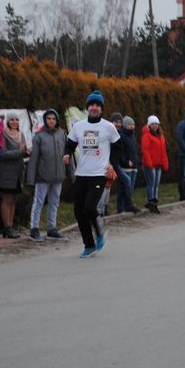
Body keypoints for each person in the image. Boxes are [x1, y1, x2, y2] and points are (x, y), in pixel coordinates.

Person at [63, 91, 121, 258]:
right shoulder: (78, 126)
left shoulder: (108, 127)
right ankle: (89, 245)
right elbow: (70, 144)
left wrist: (112, 164)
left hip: (99, 173)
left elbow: (119, 147)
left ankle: (100, 231)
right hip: (81, 173)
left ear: (101, 109)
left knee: (89, 208)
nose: (94, 108)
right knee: (78, 211)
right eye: (92, 105)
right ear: (87, 107)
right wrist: (66, 153)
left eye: (97, 105)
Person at [26, 109, 74, 242]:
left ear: (57, 120)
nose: (51, 121)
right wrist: (30, 178)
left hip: (58, 176)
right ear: (45, 120)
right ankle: (34, 228)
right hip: (43, 176)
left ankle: (52, 228)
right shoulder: (39, 136)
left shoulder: (62, 134)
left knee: (54, 202)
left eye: (53, 118)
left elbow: (68, 155)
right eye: (49, 119)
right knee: (39, 202)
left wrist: (72, 173)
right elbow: (34, 159)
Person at [0, 112, 28, 238]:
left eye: (16, 119)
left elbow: (23, 152)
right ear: (8, 122)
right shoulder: (3, 135)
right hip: (7, 172)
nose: (14, 122)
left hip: (19, 172)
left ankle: (11, 225)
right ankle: (7, 227)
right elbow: (2, 153)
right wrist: (18, 151)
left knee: (14, 199)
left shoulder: (21, 134)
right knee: (7, 199)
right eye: (12, 120)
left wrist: (26, 152)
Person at [141, 115, 169, 213]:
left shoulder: (161, 136)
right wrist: (149, 163)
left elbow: (163, 151)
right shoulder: (146, 135)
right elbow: (145, 150)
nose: (155, 126)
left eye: (156, 124)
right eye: (152, 124)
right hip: (150, 164)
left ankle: (154, 201)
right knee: (151, 183)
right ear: (149, 125)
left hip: (158, 164)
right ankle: (151, 201)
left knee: (156, 184)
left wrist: (165, 163)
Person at [114, 114, 141, 214]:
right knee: (123, 189)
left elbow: (134, 150)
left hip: (134, 166)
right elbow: (120, 152)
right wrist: (126, 162)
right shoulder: (121, 136)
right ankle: (120, 208)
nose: (132, 126)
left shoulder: (132, 136)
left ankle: (127, 206)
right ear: (125, 125)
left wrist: (137, 160)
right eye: (129, 124)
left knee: (130, 189)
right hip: (125, 167)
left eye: (133, 125)